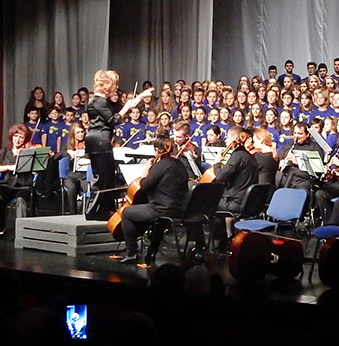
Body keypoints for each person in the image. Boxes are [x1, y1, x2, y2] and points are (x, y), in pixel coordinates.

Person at [85, 69, 153, 221]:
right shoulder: (98, 101)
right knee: (103, 177)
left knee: (106, 176)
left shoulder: (100, 101)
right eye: (114, 85)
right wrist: (128, 107)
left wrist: (138, 98)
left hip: (98, 141)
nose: (116, 88)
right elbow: (113, 120)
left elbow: (114, 111)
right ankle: (96, 211)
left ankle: (102, 210)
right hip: (100, 141)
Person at [116, 138, 189, 266]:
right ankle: (151, 251)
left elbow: (144, 185)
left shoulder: (160, 165)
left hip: (161, 209)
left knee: (127, 212)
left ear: (157, 150)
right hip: (179, 208)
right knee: (147, 215)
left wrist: (146, 169)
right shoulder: (180, 164)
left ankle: (132, 252)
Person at [207, 126, 259, 254]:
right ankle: (228, 239)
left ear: (235, 138)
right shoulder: (249, 156)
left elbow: (219, 177)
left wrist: (217, 163)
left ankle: (221, 244)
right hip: (246, 201)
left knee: (208, 206)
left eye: (228, 137)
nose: (226, 140)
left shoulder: (237, 156)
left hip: (235, 202)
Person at [0, 123, 35, 235]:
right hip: (6, 184)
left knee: (21, 200)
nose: (17, 140)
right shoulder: (5, 150)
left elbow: (35, 171)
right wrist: (9, 167)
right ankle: (0, 227)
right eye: (15, 136)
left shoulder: (28, 152)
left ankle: (21, 230)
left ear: (25, 139)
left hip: (23, 185)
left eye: (21, 137)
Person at [277, 122, 324, 192]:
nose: (296, 136)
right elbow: (279, 162)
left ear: (307, 134)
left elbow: (317, 170)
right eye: (295, 133)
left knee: (301, 192)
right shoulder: (288, 146)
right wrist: (281, 163)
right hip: (287, 178)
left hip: (304, 180)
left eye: (300, 134)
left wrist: (298, 162)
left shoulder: (315, 147)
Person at [57, 122, 89, 215]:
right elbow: (56, 157)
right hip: (71, 175)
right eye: (77, 133)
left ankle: (85, 212)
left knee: (89, 188)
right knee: (71, 188)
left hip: (84, 175)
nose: (80, 135)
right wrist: (68, 152)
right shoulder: (68, 145)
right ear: (73, 134)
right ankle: (73, 213)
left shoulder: (88, 144)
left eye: (82, 132)